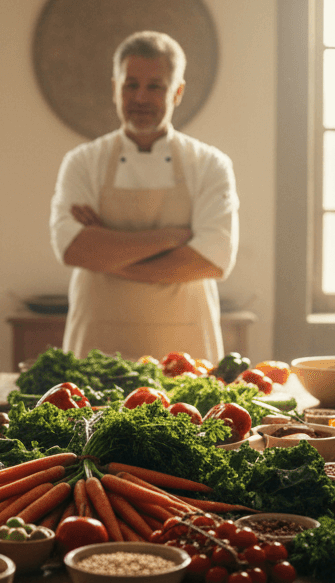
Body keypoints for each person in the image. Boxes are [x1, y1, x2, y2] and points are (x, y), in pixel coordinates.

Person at [50, 31, 238, 362]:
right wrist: (170, 238)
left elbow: (210, 259)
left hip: (184, 350)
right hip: (98, 347)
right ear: (115, 89)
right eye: (130, 85)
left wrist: (107, 253)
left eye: (156, 86)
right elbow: (73, 249)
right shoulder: (82, 162)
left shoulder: (210, 165)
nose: (140, 97)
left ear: (177, 92)